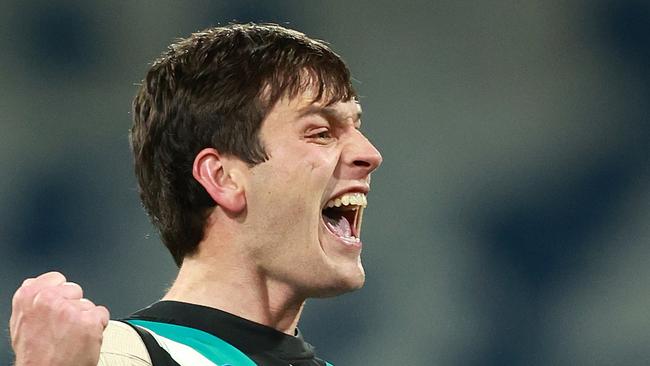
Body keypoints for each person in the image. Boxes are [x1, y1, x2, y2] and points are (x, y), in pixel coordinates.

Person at [9, 23, 382, 366]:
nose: (370, 154)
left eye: (355, 127)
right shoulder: (114, 357)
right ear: (222, 177)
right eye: (321, 133)